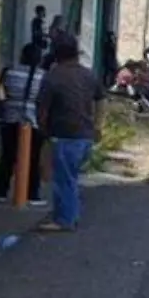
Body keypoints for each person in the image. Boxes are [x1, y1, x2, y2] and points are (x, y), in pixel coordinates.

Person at [35, 39, 104, 232]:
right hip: (85, 135)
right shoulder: (88, 75)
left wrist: (43, 131)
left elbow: (42, 109)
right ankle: (66, 215)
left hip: (63, 134)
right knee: (70, 177)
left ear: (56, 55)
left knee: (64, 179)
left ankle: (65, 219)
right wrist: (98, 126)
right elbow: (101, 99)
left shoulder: (52, 77)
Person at [0, 43, 49, 205]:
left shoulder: (9, 71)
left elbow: (0, 90)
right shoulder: (43, 76)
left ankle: (2, 192)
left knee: (7, 156)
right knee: (33, 158)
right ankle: (32, 194)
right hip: (33, 120)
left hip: (10, 116)